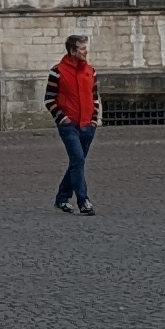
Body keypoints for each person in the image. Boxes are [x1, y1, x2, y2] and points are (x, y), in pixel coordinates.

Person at [44, 30, 98, 216]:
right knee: (78, 160)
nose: (85, 52)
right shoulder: (57, 72)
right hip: (69, 125)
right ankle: (83, 200)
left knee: (77, 162)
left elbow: (95, 97)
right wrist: (62, 118)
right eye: (82, 49)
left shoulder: (91, 71)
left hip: (87, 125)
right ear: (72, 51)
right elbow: (49, 99)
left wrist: (93, 120)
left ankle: (62, 198)